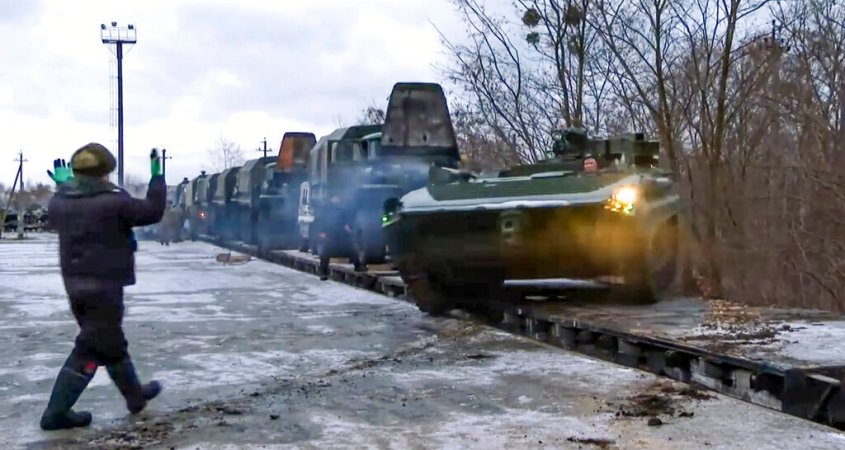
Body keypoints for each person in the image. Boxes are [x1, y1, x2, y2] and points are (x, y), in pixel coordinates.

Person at [40, 143, 166, 431]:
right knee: (90, 349)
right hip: (105, 288)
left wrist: (63, 186)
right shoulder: (115, 201)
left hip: (75, 287)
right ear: (105, 173)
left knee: (111, 343)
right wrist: (157, 178)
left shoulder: (59, 202)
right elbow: (152, 211)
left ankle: (135, 397)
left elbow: (65, 208)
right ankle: (56, 413)